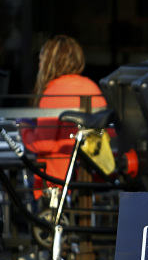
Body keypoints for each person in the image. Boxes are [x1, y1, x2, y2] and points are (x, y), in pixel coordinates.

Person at [20, 35, 108, 200]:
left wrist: (23, 128)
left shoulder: (53, 91)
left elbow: (42, 145)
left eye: (41, 60)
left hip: (57, 184)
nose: (39, 65)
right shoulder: (91, 86)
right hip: (95, 177)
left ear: (49, 62)